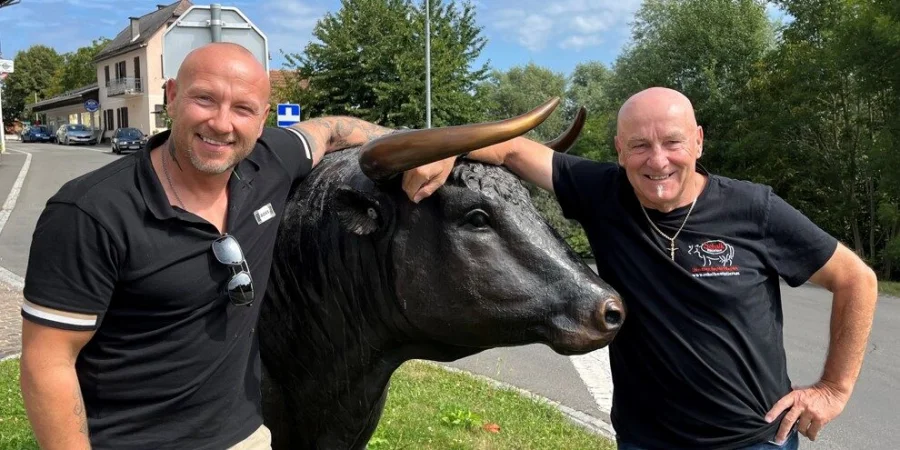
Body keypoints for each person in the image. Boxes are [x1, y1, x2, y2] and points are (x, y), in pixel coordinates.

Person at [404, 87, 879, 449]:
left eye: (673, 142)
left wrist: (833, 389)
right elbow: (511, 150)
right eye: (639, 146)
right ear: (618, 149)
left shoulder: (755, 209)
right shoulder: (603, 193)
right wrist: (445, 148)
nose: (657, 161)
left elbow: (856, 279)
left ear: (698, 141)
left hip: (754, 441)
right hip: (645, 442)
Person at [19, 42, 393, 450]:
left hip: (245, 437)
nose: (221, 123)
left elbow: (333, 130)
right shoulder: (90, 212)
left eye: (243, 109)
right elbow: (47, 363)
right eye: (205, 99)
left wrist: (426, 149)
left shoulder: (269, 162)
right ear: (172, 97)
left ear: (263, 119)